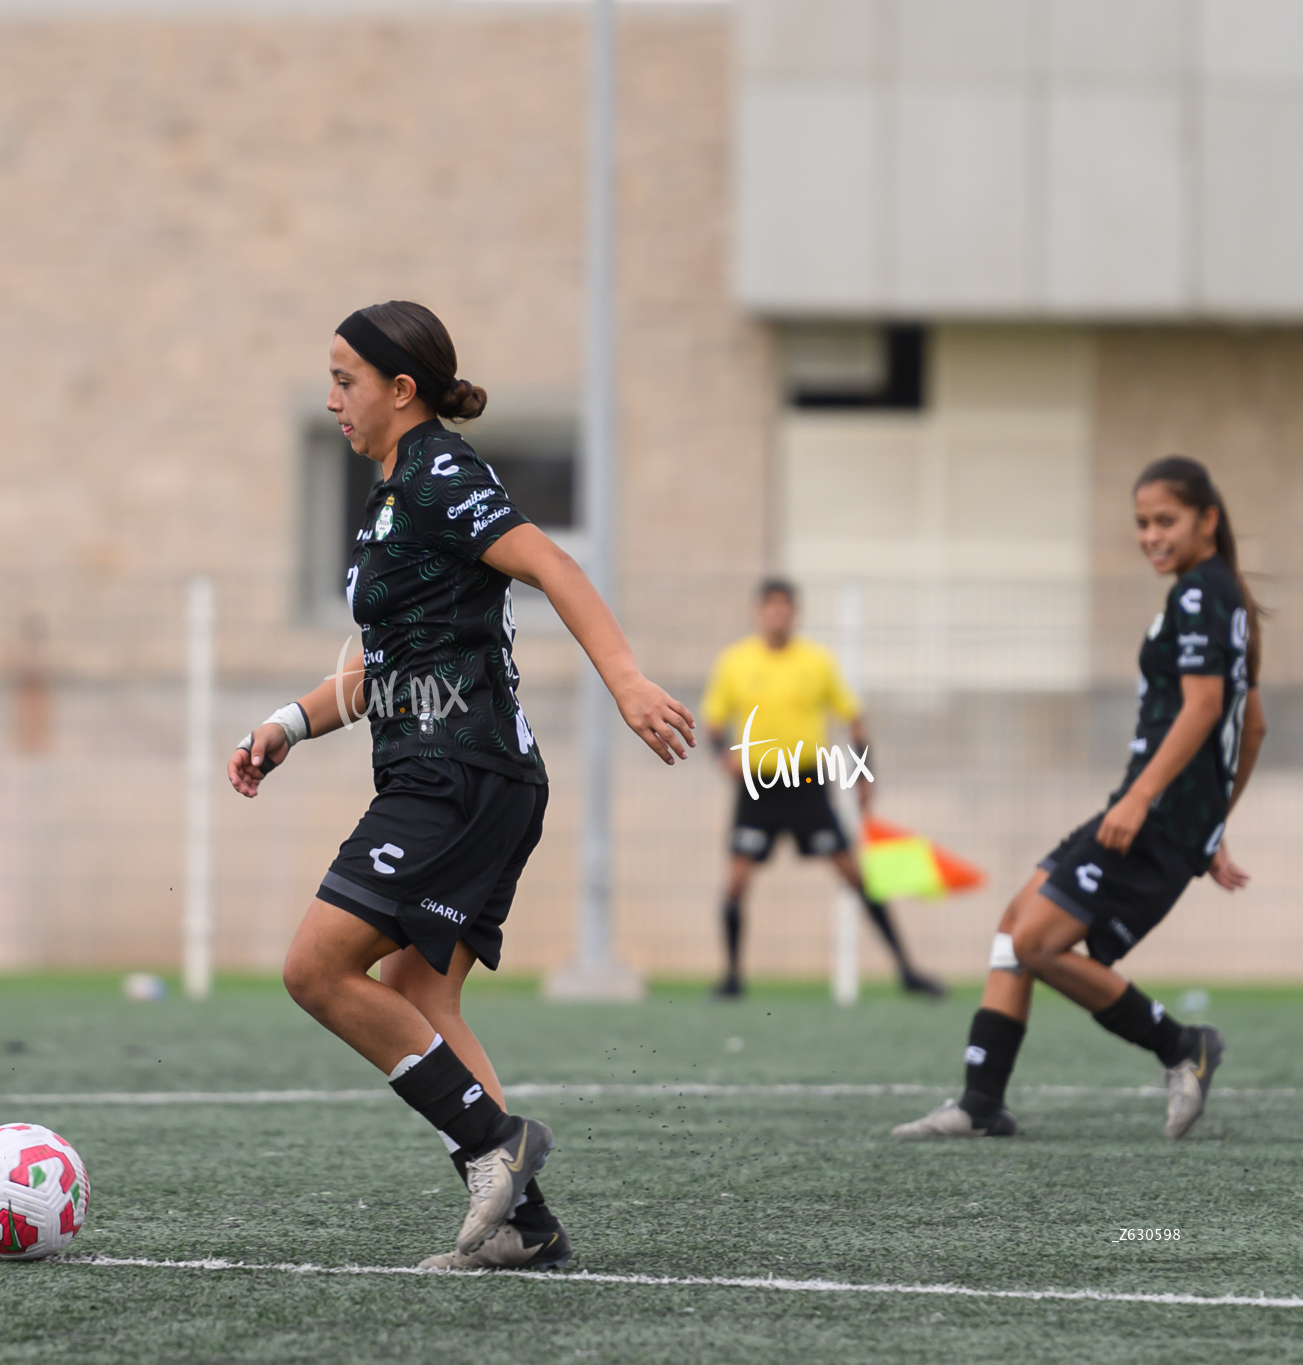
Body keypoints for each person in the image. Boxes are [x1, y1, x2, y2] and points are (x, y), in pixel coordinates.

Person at [229, 301, 696, 1269]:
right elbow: (380, 663)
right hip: (465, 774)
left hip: (457, 774)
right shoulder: (394, 492)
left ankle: (495, 1146)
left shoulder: (442, 473)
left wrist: (625, 680)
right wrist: (285, 726)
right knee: (419, 998)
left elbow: (551, 565)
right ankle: (524, 1229)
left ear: (402, 390)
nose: (330, 401)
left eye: (345, 381)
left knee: (316, 970)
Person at [894, 456, 1267, 1141]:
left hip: (1148, 814)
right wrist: (1210, 827)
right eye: (1141, 522)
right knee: (1016, 923)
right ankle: (982, 1103)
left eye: (1166, 520)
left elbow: (1208, 707)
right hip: (1155, 810)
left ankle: (1184, 1046)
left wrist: (1151, 801)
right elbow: (1254, 727)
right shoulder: (1223, 597)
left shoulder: (1197, 597)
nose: (1151, 534)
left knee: (1037, 941)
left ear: (1207, 519)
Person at [700, 579, 945, 999]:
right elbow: (714, 722)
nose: (778, 615)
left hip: (808, 784)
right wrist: (723, 756)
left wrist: (866, 776)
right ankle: (732, 978)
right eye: (770, 608)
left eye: (785, 608)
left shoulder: (818, 662)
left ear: (796, 613)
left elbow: (854, 719)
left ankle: (907, 971)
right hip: (759, 787)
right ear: (759, 613)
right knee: (736, 881)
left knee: (854, 874)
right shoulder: (735, 662)